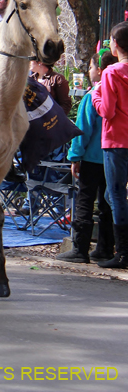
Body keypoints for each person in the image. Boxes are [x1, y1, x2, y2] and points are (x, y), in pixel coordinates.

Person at [58, 51, 118, 262]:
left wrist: (75, 157)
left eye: (91, 66)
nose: (89, 70)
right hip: (114, 157)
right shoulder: (118, 94)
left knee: (85, 200)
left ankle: (80, 248)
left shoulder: (92, 96)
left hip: (91, 159)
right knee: (107, 203)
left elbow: (82, 131)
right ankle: (105, 247)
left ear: (99, 70)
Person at [91, 22, 128, 268]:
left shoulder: (111, 72)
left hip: (116, 140)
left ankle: (123, 252)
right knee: (114, 194)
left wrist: (95, 94)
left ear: (115, 44)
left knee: (114, 195)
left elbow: (107, 110)